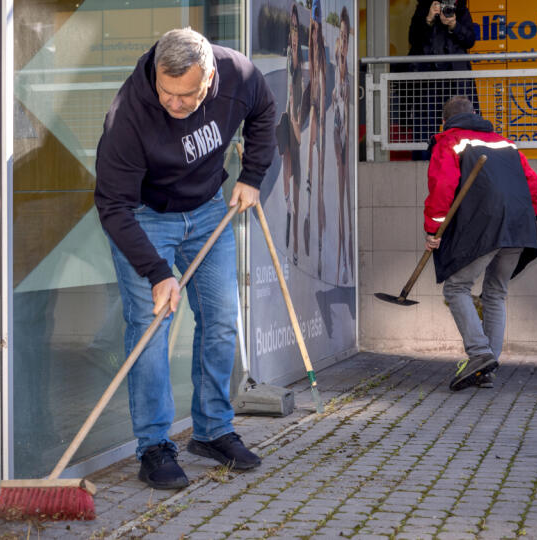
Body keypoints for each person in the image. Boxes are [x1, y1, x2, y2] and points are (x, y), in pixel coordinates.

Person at [94, 28, 276, 490]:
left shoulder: (237, 73)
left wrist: (252, 175)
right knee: (151, 328)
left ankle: (213, 431)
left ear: (210, 76)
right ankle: (154, 447)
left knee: (221, 320)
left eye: (187, 95)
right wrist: (157, 273)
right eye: (167, 93)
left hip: (209, 209)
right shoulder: (130, 114)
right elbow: (112, 205)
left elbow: (264, 111)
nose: (174, 104)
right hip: (145, 217)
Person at [423, 96, 537, 391]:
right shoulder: (506, 144)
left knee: (456, 287)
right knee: (496, 294)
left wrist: (434, 229)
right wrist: (523, 218)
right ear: (475, 114)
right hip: (518, 227)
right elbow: (534, 185)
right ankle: (486, 369)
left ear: (445, 120)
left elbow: (442, 187)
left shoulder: (450, 141)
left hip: (484, 227)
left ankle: (479, 354)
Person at [406, 0, 480, 160]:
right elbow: (413, 39)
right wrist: (428, 19)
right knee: (424, 129)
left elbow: (470, 40)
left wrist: (454, 25)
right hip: (427, 81)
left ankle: (463, 163)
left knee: (461, 125)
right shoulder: (423, 10)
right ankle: (423, 165)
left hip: (456, 80)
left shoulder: (460, 11)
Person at [277, 4, 305, 265]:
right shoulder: (289, 52)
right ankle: (287, 204)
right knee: (286, 162)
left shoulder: (299, 57)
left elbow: (299, 86)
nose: (294, 34)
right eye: (292, 28)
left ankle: (295, 242)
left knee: (294, 171)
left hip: (296, 119)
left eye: (297, 28)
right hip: (287, 115)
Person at [303, 0, 327, 276]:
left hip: (321, 128)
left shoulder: (322, 61)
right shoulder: (312, 59)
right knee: (310, 185)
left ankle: (320, 252)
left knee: (318, 187)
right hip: (311, 127)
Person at [332, 6, 353, 284]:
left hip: (346, 136)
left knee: (347, 206)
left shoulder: (346, 68)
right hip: (337, 137)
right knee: (340, 204)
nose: (345, 41)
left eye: (348, 37)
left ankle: (344, 263)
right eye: (343, 37)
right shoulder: (338, 63)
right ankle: (340, 264)